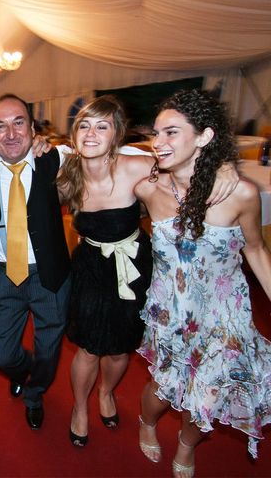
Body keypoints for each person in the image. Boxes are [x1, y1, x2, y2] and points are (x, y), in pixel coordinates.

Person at [135, 88, 271, 477]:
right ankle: (146, 423)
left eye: (172, 132)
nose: (158, 143)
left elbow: (257, 251)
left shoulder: (241, 193)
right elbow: (97, 155)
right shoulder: (147, 187)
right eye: (156, 134)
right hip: (169, 315)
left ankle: (185, 446)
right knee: (161, 392)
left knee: (206, 398)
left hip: (223, 319)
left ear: (205, 137)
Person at [55, 95, 155, 446]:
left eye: (102, 126)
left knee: (119, 348)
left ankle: (106, 392)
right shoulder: (66, 172)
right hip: (91, 267)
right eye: (84, 125)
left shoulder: (138, 166)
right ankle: (80, 407)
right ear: (74, 133)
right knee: (88, 347)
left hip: (133, 264)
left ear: (117, 134)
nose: (92, 133)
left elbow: (185, 170)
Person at [0, 94, 71, 430]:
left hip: (50, 275)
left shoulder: (56, 158)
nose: (11, 133)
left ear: (33, 129)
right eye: (0, 126)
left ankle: (34, 393)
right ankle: (22, 371)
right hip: (6, 274)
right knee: (0, 355)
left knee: (49, 349)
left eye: (19, 123)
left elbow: (104, 149)